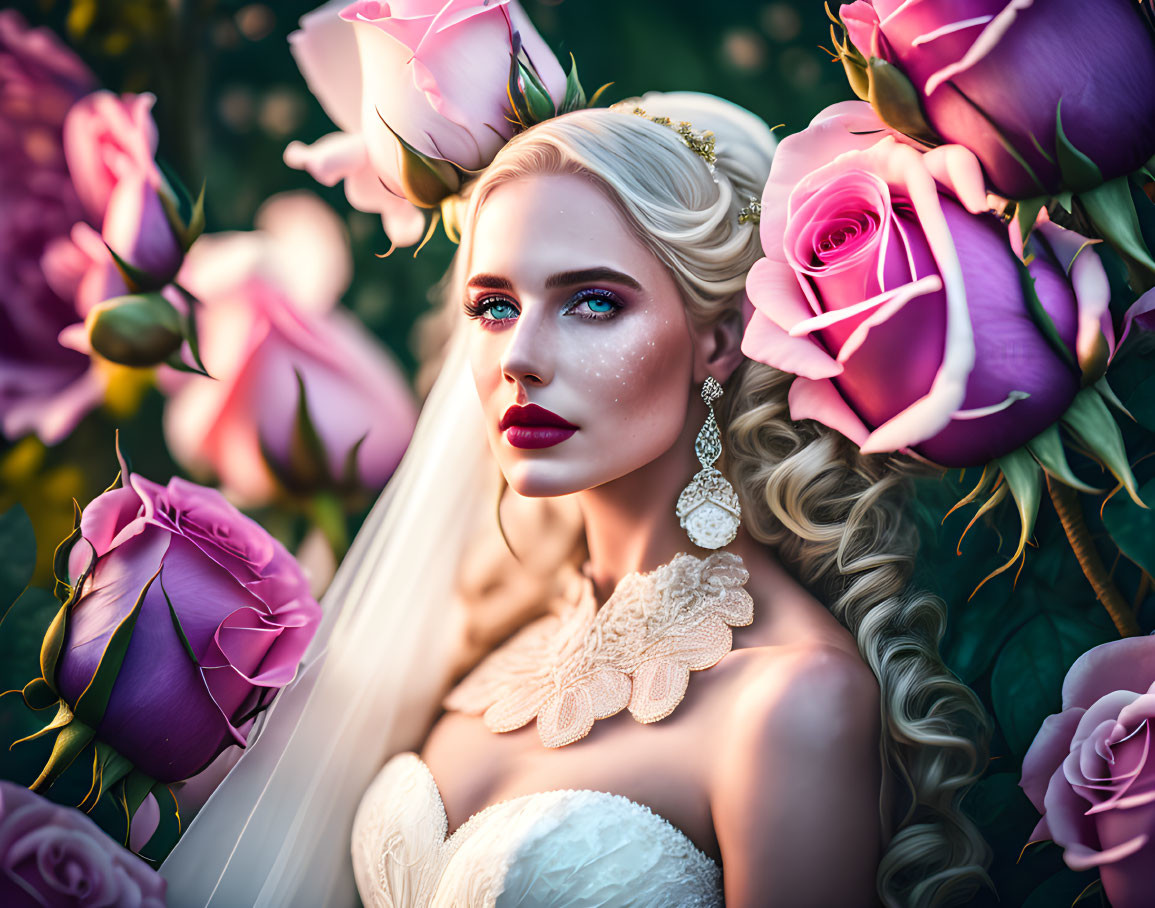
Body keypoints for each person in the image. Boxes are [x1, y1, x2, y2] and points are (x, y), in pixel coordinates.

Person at [160, 92, 991, 907]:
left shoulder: (791, 701)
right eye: (493, 306)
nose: (518, 356)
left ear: (718, 339)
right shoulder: (475, 650)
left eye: (591, 301)